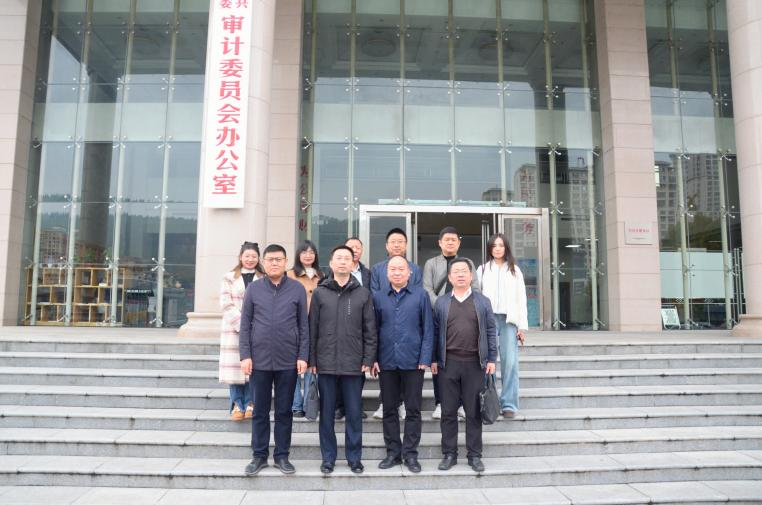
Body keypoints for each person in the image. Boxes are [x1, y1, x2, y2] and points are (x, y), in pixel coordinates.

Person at [240, 244, 309, 476]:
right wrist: (245, 355)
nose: (274, 263)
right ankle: (259, 456)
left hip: (288, 360)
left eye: (279, 259)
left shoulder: (297, 289)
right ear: (264, 262)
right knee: (259, 411)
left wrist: (303, 355)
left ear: (286, 262)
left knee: (284, 412)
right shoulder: (254, 288)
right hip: (258, 360)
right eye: (270, 259)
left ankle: (282, 456)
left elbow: (304, 325)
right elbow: (245, 324)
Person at [309, 245, 377, 475]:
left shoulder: (363, 293)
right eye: (338, 258)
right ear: (331, 262)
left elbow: (370, 330)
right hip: (325, 363)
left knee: (354, 414)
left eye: (347, 258)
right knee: (327, 414)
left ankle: (354, 458)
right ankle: (328, 458)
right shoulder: (320, 293)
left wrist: (368, 358)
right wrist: (312, 360)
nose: (342, 262)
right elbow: (312, 328)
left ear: (352, 263)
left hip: (353, 364)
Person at [433, 257, 497, 473]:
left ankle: (474, 455)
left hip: (474, 364)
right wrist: (433, 359)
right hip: (448, 363)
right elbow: (435, 332)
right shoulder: (441, 302)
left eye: (464, 271)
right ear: (450, 278)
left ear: (471, 276)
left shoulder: (483, 301)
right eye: (456, 272)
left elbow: (490, 331)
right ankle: (449, 454)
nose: (460, 274)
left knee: (473, 412)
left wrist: (491, 359)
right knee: (448, 412)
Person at [372, 256, 434, 474]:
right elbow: (373, 331)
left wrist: (425, 358)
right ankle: (392, 452)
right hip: (386, 361)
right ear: (387, 273)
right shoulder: (378, 297)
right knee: (389, 409)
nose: (397, 272)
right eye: (393, 269)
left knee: (413, 410)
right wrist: (373, 358)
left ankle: (410, 454)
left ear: (409, 273)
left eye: (401, 269)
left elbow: (428, 329)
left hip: (413, 361)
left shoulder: (421, 295)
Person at [423, 226, 478, 420]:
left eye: (454, 240)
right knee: (439, 361)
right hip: (438, 316)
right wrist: (443, 305)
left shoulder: (468, 263)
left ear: (459, 243)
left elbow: (476, 288)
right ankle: (440, 402)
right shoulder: (431, 263)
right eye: (446, 239)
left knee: (462, 361)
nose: (450, 242)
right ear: (440, 243)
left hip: (464, 317)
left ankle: (462, 403)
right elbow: (427, 289)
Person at [369, 227, 422, 419]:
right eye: (393, 241)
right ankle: (386, 403)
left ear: (406, 245)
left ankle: (402, 404)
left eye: (401, 241)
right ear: (386, 245)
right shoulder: (377, 269)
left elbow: (415, 294)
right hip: (385, 316)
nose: (397, 245)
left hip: (407, 320)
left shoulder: (415, 269)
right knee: (388, 368)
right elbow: (374, 292)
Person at [476, 233, 528, 419]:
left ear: (506, 248)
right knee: (487, 361)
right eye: (494, 245)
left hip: (508, 320)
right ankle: (490, 402)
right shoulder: (482, 269)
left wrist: (521, 327)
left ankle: (509, 404)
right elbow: (477, 296)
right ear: (490, 248)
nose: (497, 248)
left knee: (510, 362)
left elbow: (521, 299)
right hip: (487, 319)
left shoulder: (515, 270)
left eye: (501, 245)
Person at [219, 241, 264, 421]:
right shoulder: (229, 277)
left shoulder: (264, 278)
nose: (250, 259)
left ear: (258, 258)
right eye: (247, 256)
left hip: (258, 329)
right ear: (240, 257)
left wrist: (255, 325)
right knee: (235, 369)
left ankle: (252, 403)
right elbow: (226, 304)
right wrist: (243, 324)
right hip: (234, 329)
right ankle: (237, 404)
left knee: (254, 368)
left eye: (254, 256)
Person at [335, 236, 371, 421]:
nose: (355, 250)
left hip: (359, 326)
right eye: (351, 247)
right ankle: (339, 406)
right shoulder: (333, 274)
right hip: (338, 326)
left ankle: (355, 406)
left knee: (358, 372)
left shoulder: (368, 274)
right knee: (338, 373)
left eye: (358, 247)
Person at [288, 240, 324, 418]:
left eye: (311, 252)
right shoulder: (289, 274)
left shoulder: (322, 275)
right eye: (304, 252)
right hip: (293, 323)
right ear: (298, 255)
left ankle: (308, 403)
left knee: (311, 365)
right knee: (293, 364)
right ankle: (296, 404)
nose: (308, 255)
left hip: (316, 324)